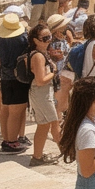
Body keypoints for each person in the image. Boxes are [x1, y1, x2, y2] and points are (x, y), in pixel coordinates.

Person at [0, 11, 31, 155]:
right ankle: (11, 143)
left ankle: (6, 140)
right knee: (16, 112)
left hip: (5, 79)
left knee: (5, 109)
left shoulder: (0, 41)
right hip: (20, 79)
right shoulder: (24, 39)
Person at [25, 23, 61, 166]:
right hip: (41, 93)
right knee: (52, 123)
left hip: (44, 93)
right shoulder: (38, 56)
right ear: (35, 40)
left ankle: (37, 156)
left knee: (45, 125)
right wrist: (53, 72)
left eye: (49, 37)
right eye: (45, 38)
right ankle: (65, 150)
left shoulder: (42, 54)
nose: (48, 40)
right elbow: (40, 81)